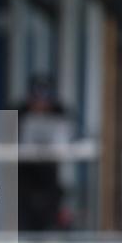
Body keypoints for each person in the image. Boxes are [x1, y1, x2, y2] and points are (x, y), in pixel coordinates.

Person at [16, 75, 72, 231]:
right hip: (23, 181)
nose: (41, 103)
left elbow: (67, 144)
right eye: (36, 97)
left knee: (49, 225)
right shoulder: (19, 113)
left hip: (49, 182)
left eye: (45, 98)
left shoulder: (60, 114)